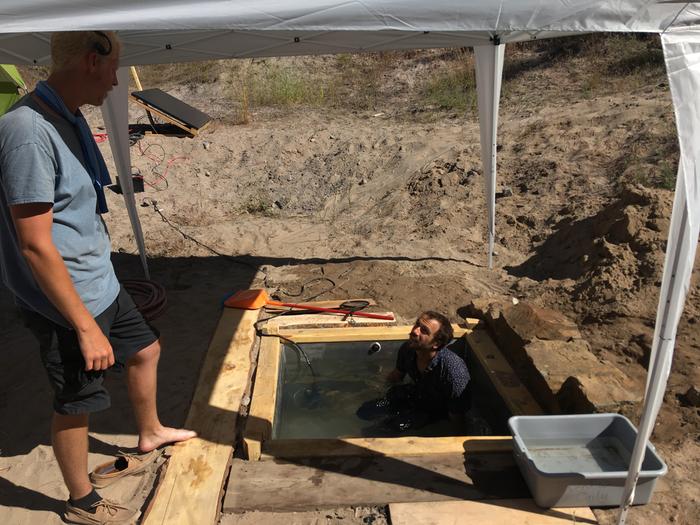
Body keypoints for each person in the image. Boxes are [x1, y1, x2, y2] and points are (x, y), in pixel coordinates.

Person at [0, 31, 196, 524]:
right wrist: (85, 327)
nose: (117, 81)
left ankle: (149, 430)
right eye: (114, 70)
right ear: (91, 62)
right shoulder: (26, 131)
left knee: (145, 349)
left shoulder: (65, 114)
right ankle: (81, 501)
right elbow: (34, 244)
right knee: (76, 400)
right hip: (66, 300)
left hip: (98, 279)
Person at [357, 311, 471, 433]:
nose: (415, 331)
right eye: (417, 324)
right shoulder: (409, 348)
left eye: (424, 330)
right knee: (364, 412)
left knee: (384, 429)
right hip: (416, 393)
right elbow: (396, 376)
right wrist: (378, 389)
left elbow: (457, 419)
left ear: (436, 344)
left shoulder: (453, 373)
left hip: (436, 409)